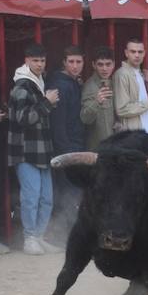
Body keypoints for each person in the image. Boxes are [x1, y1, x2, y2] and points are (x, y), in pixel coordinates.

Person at [7, 43, 56, 255]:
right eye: (35, 60)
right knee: (31, 197)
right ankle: (29, 238)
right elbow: (23, 119)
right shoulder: (21, 87)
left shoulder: (37, 83)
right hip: (25, 151)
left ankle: (39, 236)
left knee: (46, 198)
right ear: (27, 61)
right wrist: (47, 102)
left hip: (41, 150)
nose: (39, 64)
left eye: (42, 60)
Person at [46, 46, 84, 241]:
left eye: (78, 62)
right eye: (71, 62)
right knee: (68, 194)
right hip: (67, 148)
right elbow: (58, 123)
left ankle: (65, 236)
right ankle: (64, 237)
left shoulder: (70, 82)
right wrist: (66, 151)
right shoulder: (61, 85)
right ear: (64, 62)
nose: (75, 66)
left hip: (72, 146)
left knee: (71, 194)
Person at [112, 38, 148, 133]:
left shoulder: (141, 73)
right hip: (132, 133)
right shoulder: (122, 74)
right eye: (133, 52)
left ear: (144, 53)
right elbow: (122, 110)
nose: (137, 55)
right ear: (126, 53)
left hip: (147, 128)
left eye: (140, 52)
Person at [80, 47, 116, 151]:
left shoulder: (113, 82)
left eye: (108, 64)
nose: (104, 68)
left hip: (113, 145)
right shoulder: (90, 87)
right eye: (100, 64)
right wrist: (97, 102)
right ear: (93, 65)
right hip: (98, 148)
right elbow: (85, 118)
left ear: (113, 64)